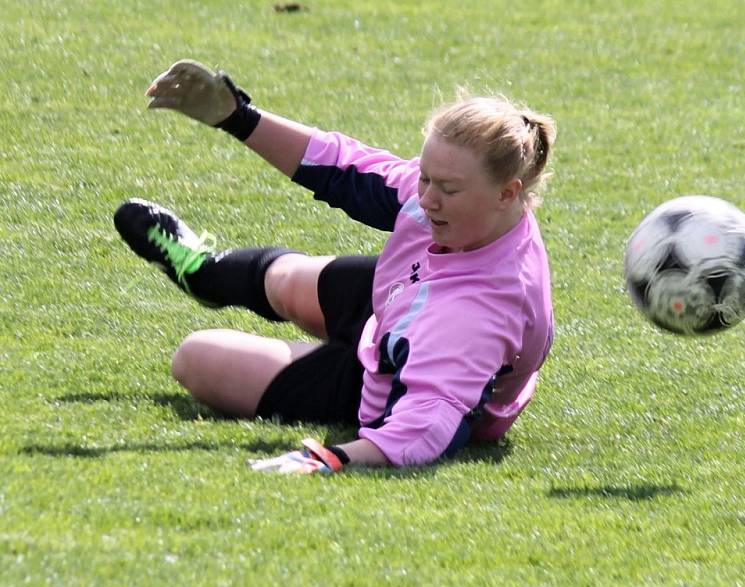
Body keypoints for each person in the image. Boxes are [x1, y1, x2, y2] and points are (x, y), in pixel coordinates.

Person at [115, 59, 556, 474]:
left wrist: (329, 458)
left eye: (447, 189)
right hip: (405, 306)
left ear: (507, 192)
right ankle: (205, 274)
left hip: (389, 381)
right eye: (424, 177)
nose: (425, 198)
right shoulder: (464, 206)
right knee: (287, 281)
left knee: (195, 357)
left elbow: (427, 425)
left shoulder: (478, 315)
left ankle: (322, 359)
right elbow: (344, 168)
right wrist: (239, 117)